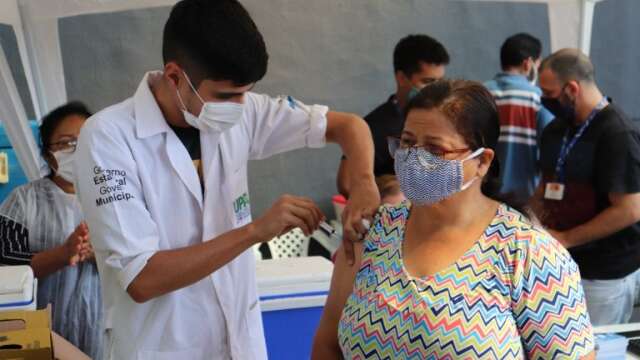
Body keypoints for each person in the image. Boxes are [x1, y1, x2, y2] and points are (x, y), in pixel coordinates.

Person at [72, 0, 379, 359]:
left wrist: (363, 183)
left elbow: (349, 126)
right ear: (174, 76)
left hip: (240, 346)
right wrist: (254, 231)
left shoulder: (242, 111)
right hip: (162, 348)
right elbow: (142, 279)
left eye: (245, 92)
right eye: (226, 96)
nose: (239, 105)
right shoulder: (108, 138)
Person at [313, 80, 594, 359]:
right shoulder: (373, 232)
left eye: (435, 150)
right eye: (408, 143)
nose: (414, 158)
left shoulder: (529, 253)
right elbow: (327, 346)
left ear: (482, 162)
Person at [532, 48, 640, 326]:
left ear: (571, 88)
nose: (544, 100)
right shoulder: (556, 130)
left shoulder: (617, 133)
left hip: (602, 275)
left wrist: (566, 238)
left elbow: (629, 209)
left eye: (549, 93)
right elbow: (545, 185)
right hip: (558, 264)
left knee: (594, 349)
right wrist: (531, 225)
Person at [0, 102, 102, 359]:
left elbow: (139, 261)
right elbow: (6, 268)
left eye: (85, 140)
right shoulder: (23, 200)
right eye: (67, 143)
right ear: (48, 154)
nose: (77, 151)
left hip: (101, 331)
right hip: (34, 335)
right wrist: (64, 253)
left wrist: (99, 253)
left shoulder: (114, 198)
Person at [337, 34, 449, 196]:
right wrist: (392, 188)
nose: (436, 90)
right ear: (402, 78)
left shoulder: (445, 119)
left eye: (440, 82)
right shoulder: (376, 126)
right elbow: (346, 183)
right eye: (428, 82)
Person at [484, 33, 554, 204]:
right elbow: (551, 145)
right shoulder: (538, 98)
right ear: (528, 64)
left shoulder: (481, 93)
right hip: (524, 197)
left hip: (483, 192)